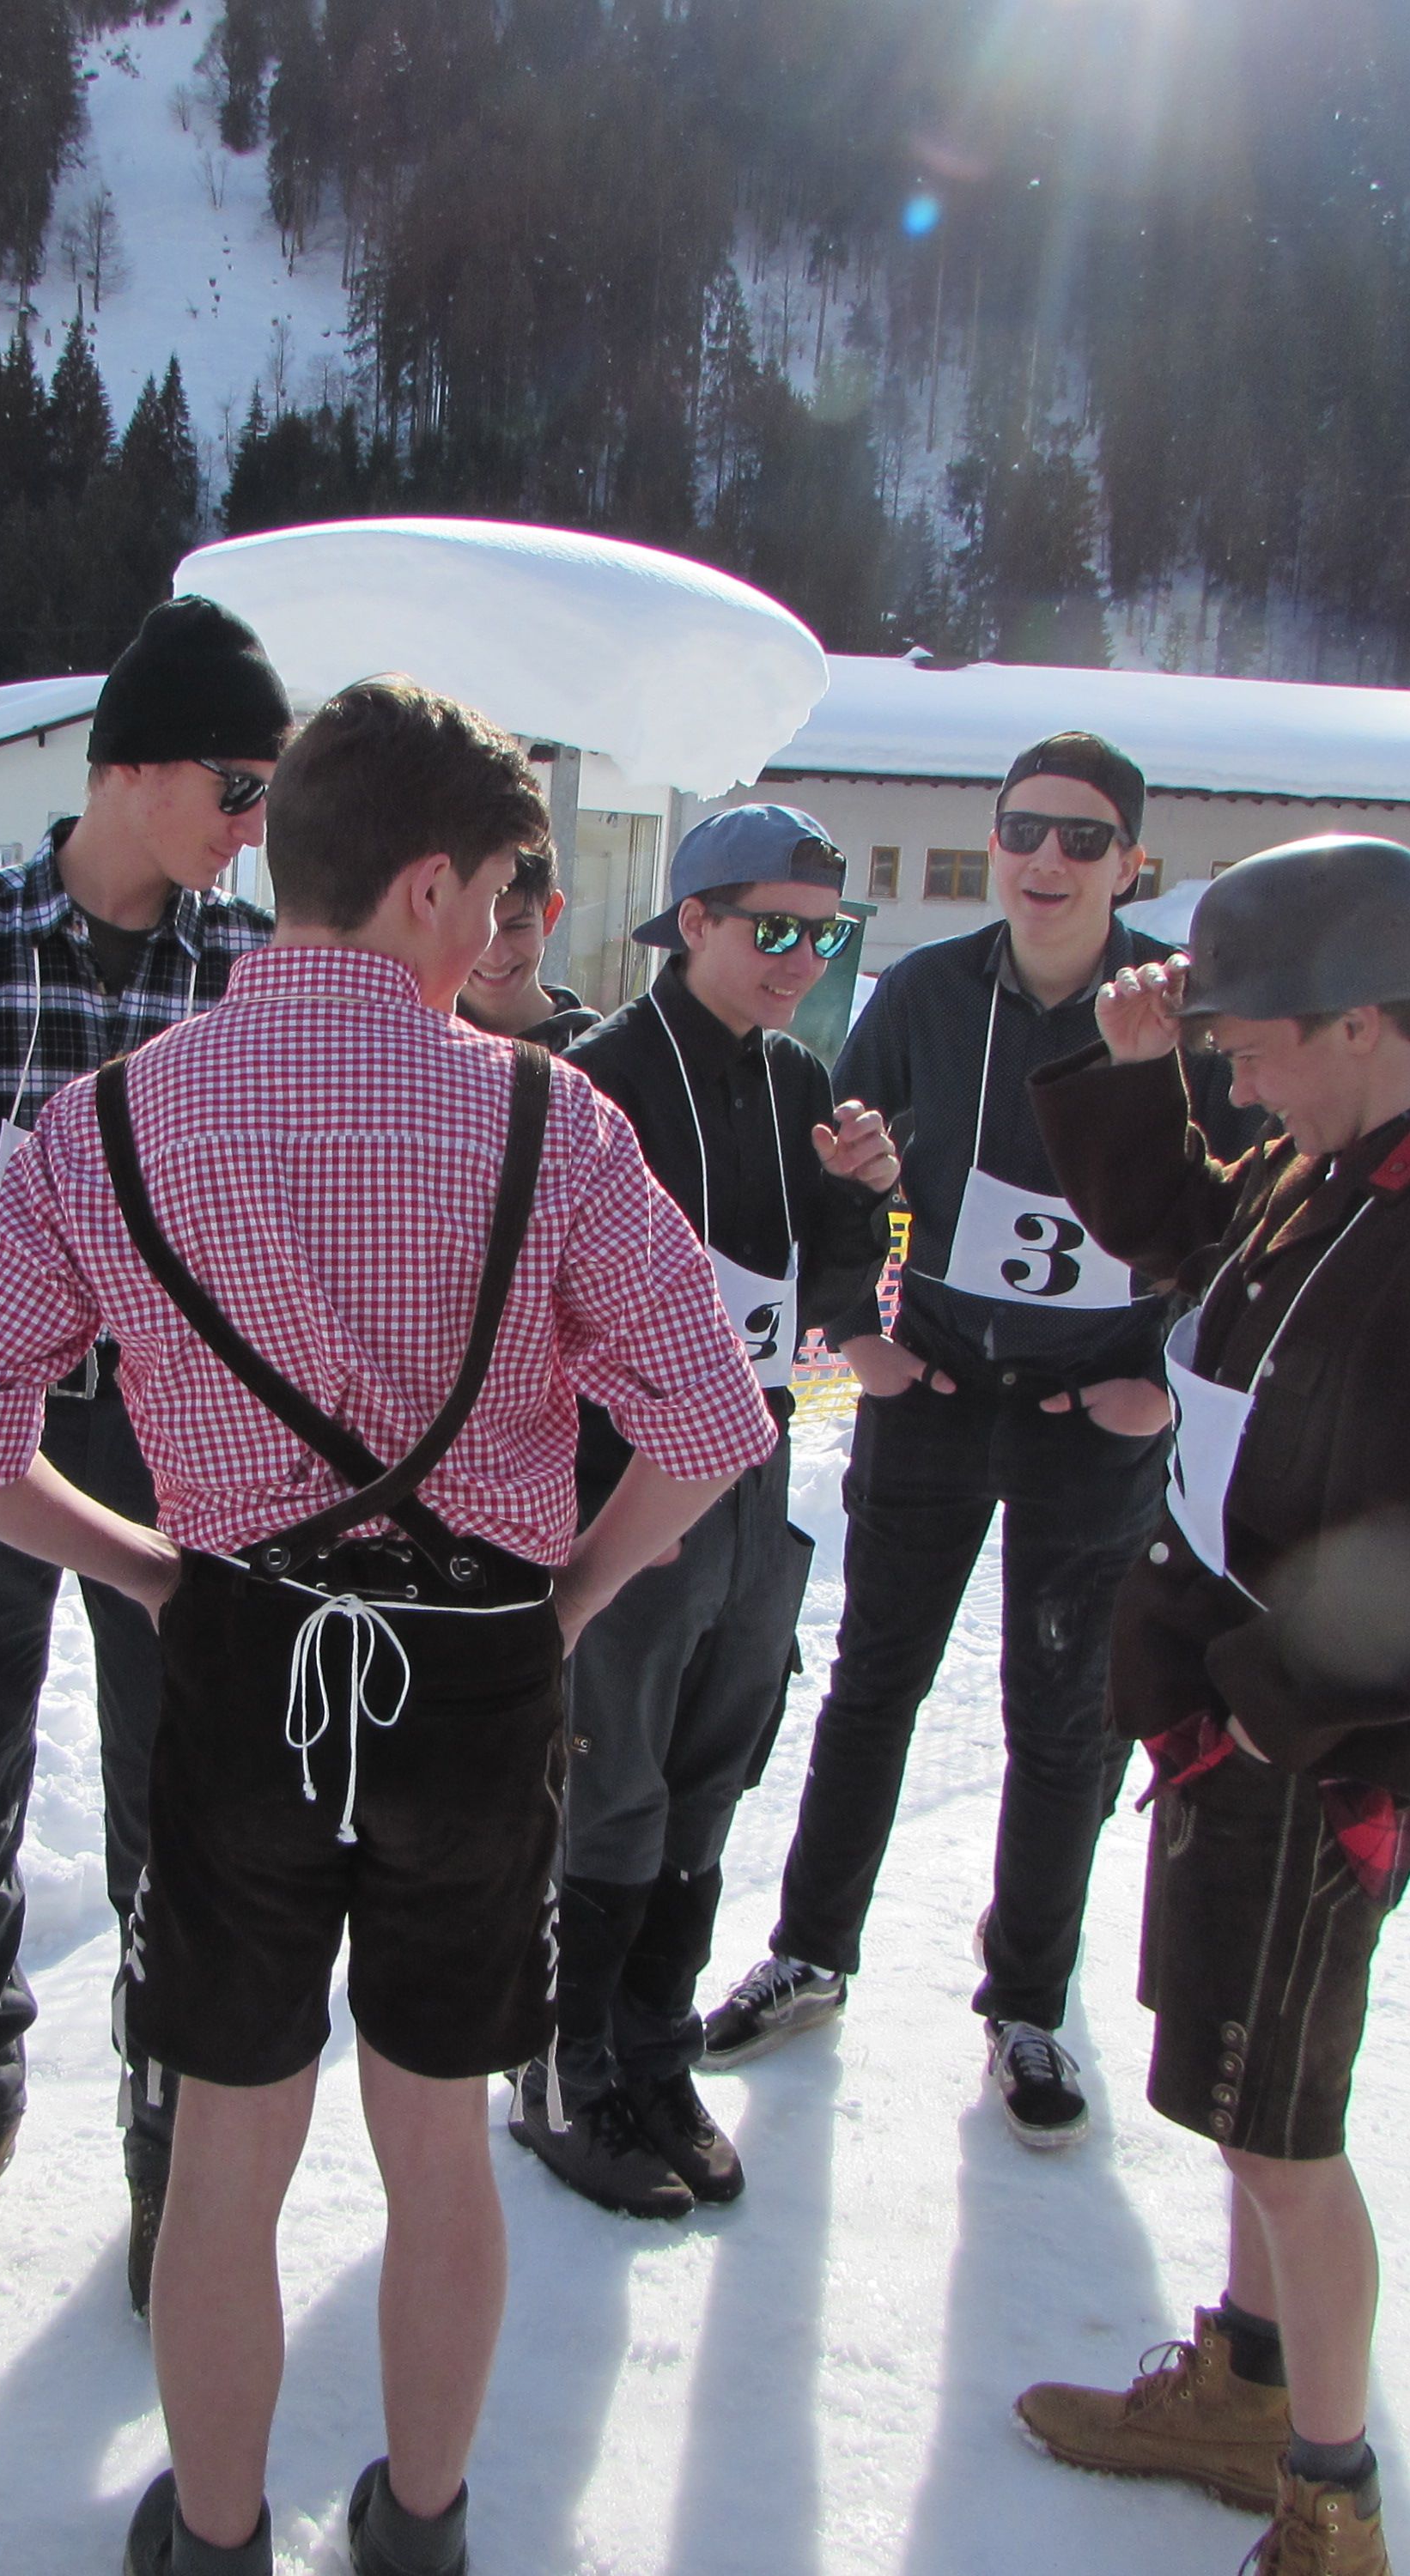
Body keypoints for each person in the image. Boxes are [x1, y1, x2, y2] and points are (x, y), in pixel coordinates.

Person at [0, 677, 772, 2576]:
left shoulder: (109, 1119)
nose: (503, 934)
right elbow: (715, 1423)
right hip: (476, 1674)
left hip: (238, 1662)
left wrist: (145, 1568)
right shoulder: (553, 1121)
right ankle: (419, 2527)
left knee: (227, 2146)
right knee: (436, 2139)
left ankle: (215, 2537)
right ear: (427, 886)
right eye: (503, 894)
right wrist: (573, 1595)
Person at [1010, 836, 1410, 2576]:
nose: (1237, 1084)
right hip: (1234, 1711)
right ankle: (1244, 2389)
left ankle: (1330, 2500)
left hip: (1312, 1748)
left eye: (1252, 1048)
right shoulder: (1345, 1166)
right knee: (1240, 2098)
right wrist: (1135, 1079)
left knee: (1284, 2133)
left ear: (1357, 1022)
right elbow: (1185, 1236)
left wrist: (1259, 1714)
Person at [0, 596, 287, 2300]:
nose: (251, 827)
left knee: (176, 1819)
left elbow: (283, 1250)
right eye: (235, 787)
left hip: (182, 1460)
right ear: (133, 767)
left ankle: (164, 2140)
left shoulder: (248, 975)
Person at [703, 732, 1244, 2150]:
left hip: (1093, 1411)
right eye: (1023, 832)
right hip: (937, 1390)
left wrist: (1167, 1387)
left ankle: (1028, 2005)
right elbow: (836, 1172)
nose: (1046, 861)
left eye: (1083, 839)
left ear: (1132, 864)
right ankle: (810, 1952)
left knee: (1062, 1713)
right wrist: (855, 1331)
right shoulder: (929, 995)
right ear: (993, 844)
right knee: (872, 1686)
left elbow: (1244, 1223)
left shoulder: (1178, 1011)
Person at [511, 805, 898, 2218]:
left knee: (711, 1774)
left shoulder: (799, 1080)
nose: (800, 959)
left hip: (751, 1484)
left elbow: (825, 1311)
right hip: (618, 1491)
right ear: (693, 922)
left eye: (825, 936)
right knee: (607, 1782)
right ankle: (562, 2071)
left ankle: (653, 2053)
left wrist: (861, 1198)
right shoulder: (597, 1078)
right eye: (773, 928)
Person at [457, 840, 597, 1048]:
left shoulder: (599, 1053)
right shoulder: (415, 1045)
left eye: (518, 927)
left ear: (550, 914)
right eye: (473, 927)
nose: (496, 957)